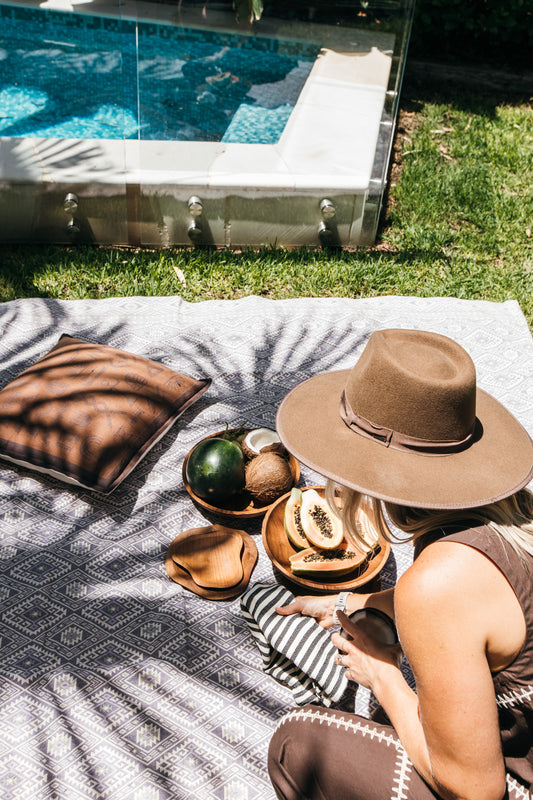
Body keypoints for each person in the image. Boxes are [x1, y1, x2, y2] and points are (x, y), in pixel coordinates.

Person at [267, 328, 533, 800]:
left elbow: (476, 790)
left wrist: (383, 675)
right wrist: (356, 600)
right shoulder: (516, 517)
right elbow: (482, 607)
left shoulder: (439, 582)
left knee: (295, 743)